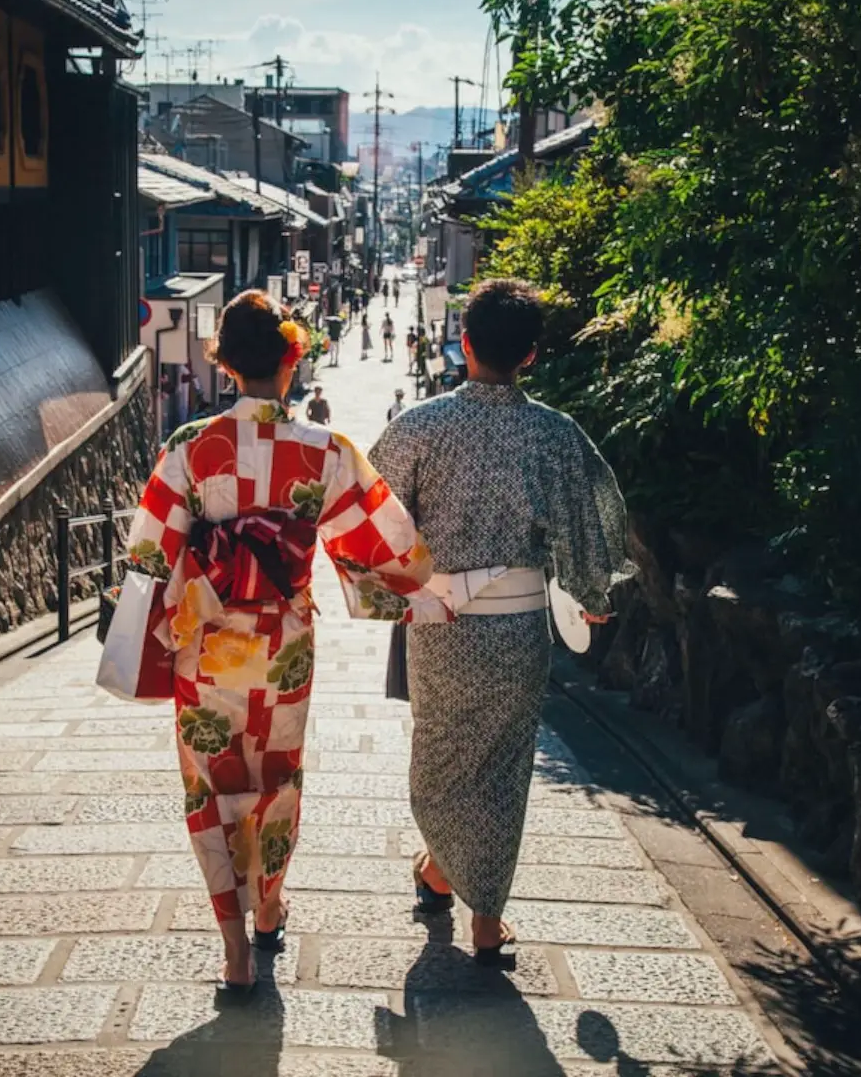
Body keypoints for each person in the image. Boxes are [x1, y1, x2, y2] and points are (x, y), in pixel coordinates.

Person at [124, 290, 448, 994]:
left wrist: (185, 590)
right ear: (292, 357)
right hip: (283, 645)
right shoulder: (324, 451)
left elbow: (148, 556)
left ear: (225, 364)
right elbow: (385, 547)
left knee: (210, 783)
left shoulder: (189, 448)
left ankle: (235, 948)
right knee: (276, 779)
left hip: (205, 645)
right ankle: (268, 904)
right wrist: (432, 593)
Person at [368, 279, 627, 964]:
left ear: (465, 342)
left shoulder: (419, 427)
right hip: (518, 630)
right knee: (504, 770)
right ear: (532, 357)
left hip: (441, 624)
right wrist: (590, 587)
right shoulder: (554, 434)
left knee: (442, 756)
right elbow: (593, 511)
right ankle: (479, 911)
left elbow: (369, 516)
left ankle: (446, 877)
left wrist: (391, 590)